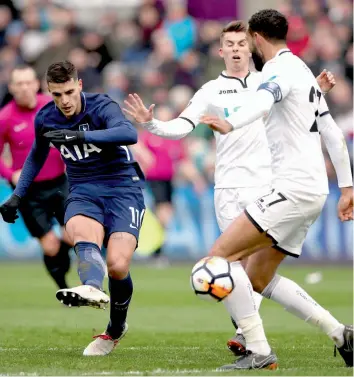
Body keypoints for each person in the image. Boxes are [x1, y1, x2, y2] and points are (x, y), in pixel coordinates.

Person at [122, 20, 344, 369]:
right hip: (230, 191)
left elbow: (299, 110)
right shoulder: (211, 90)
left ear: (252, 46)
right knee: (259, 277)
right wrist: (151, 125)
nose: (238, 48)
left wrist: (315, 89)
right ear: (221, 50)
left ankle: (253, 340)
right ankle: (333, 331)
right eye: (231, 43)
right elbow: (183, 125)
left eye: (243, 42)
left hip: (272, 189)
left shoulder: (269, 80)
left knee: (230, 265)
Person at [199, 9, 353, 370]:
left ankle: (257, 349)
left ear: (256, 37)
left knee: (221, 256)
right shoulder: (301, 70)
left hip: (290, 189)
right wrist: (346, 186)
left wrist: (229, 121)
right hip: (314, 191)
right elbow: (330, 131)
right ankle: (340, 333)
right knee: (256, 277)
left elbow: (264, 99)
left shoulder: (276, 72)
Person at [0, 61, 146, 357]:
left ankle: (116, 328)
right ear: (49, 92)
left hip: (122, 187)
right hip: (82, 190)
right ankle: (91, 285)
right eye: (57, 95)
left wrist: (81, 136)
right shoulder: (46, 118)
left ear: (79, 85)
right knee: (80, 233)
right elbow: (35, 157)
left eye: (68, 92)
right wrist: (17, 194)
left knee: (118, 265)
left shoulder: (101, 106)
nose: (64, 101)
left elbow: (128, 133)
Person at [0, 65, 72, 290]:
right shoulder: (5, 117)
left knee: (73, 234)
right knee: (50, 246)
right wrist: (10, 173)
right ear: (11, 88)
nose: (24, 88)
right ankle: (64, 286)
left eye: (28, 82)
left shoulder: (53, 105)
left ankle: (67, 263)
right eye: (18, 84)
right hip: (29, 191)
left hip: (60, 183)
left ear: (37, 84)